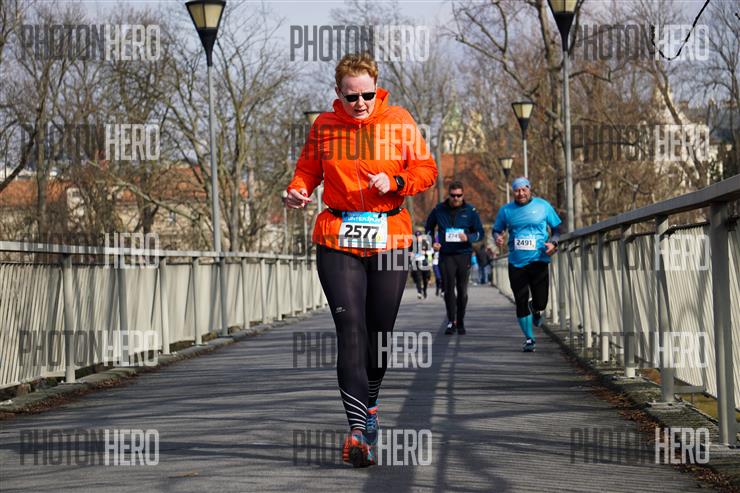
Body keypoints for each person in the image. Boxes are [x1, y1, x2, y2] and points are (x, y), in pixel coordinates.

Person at [285, 53, 437, 467]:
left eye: (367, 95)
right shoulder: (324, 127)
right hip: (337, 237)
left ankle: (370, 403)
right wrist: (298, 190)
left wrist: (397, 180)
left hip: (390, 237)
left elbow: (427, 170)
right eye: (352, 97)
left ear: (377, 88)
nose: (360, 104)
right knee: (350, 330)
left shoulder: (398, 121)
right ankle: (357, 434)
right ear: (338, 93)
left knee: (378, 334)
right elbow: (307, 172)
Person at [492, 177, 561, 352]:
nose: (521, 193)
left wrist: (554, 243)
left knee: (541, 302)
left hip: (539, 259)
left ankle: (536, 309)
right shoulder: (506, 210)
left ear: (529, 189)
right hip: (516, 262)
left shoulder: (543, 206)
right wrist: (497, 237)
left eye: (524, 189)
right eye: (517, 190)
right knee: (520, 300)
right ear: (513, 192)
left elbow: (557, 228)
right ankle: (529, 339)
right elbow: (496, 229)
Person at [424, 181, 484, 335]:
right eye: (453, 195)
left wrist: (468, 237)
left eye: (459, 195)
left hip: (463, 254)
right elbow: (428, 228)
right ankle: (452, 321)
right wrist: (432, 242)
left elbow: (480, 233)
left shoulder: (470, 211)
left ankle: (461, 321)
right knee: (449, 289)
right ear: (448, 195)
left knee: (462, 290)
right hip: (446, 255)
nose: (456, 198)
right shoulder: (439, 209)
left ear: (463, 195)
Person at [411, 231, 433, 299]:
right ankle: (419, 292)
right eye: (417, 236)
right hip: (416, 262)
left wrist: (425, 252)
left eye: (419, 236)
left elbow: (431, 251)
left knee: (425, 278)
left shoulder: (425, 242)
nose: (418, 238)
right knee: (418, 278)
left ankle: (424, 290)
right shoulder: (413, 244)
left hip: (424, 262)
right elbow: (408, 252)